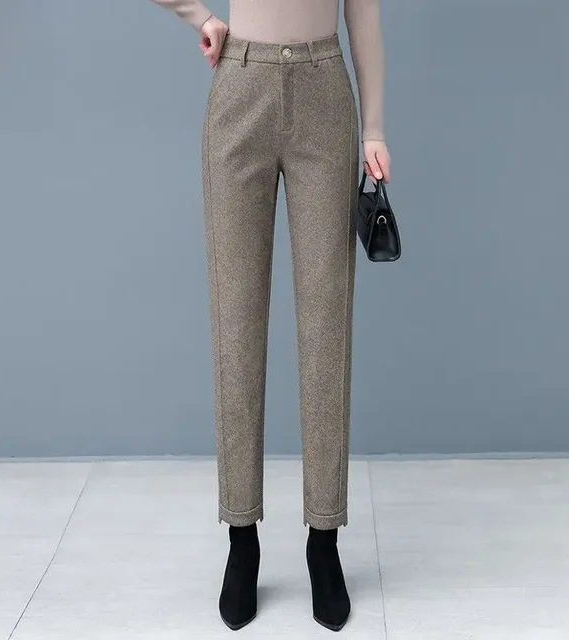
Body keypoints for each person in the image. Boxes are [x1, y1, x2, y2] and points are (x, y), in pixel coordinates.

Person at [149, 0, 391, 631]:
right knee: (235, 323)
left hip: (323, 93)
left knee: (327, 325)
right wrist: (199, 16)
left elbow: (363, 15)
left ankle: (323, 541)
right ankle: (241, 538)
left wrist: (373, 129)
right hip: (241, 89)